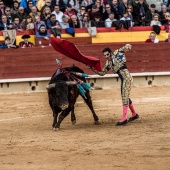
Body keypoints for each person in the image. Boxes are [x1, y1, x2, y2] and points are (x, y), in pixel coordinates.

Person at [89, 44, 139, 126]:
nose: (106, 56)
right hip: (123, 80)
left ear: (110, 53)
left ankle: (124, 118)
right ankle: (134, 114)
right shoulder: (108, 63)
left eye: (107, 54)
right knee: (125, 96)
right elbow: (102, 73)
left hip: (127, 78)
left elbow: (126, 47)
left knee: (124, 97)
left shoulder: (117, 52)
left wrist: (128, 47)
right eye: (105, 55)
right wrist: (92, 69)